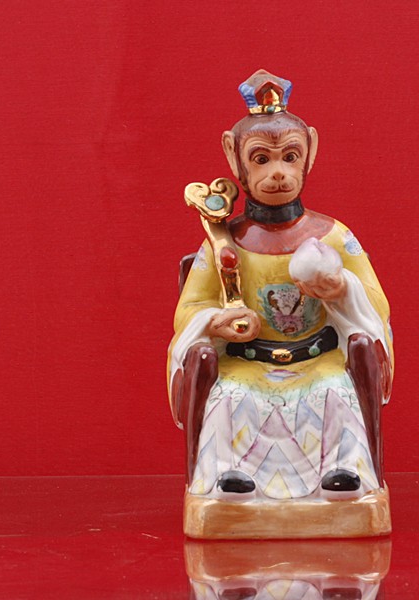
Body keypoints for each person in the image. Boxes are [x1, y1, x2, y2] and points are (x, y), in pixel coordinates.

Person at [168, 70, 393, 506]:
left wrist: (341, 289)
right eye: (261, 159)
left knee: (334, 392)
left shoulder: (334, 236)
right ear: (234, 158)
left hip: (318, 360)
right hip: (248, 364)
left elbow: (376, 303)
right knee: (230, 398)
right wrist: (216, 320)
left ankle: (342, 473)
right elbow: (189, 306)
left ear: (311, 152)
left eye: (290, 157)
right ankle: (229, 479)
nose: (277, 174)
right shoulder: (224, 244)